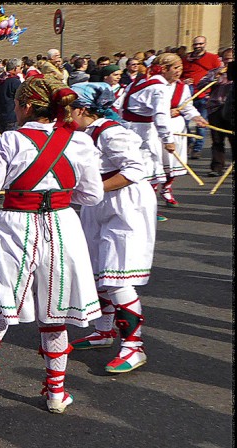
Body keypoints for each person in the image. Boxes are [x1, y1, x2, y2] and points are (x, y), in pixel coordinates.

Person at [0, 71, 104, 429]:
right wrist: (57, 193)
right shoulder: (81, 142)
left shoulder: (11, 140)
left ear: (26, 106)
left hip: (15, 228)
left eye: (15, 104)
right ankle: (56, 393)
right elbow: (92, 196)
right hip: (62, 227)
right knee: (54, 313)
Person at [68, 83, 157, 375]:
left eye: (69, 109)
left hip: (126, 206)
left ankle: (134, 345)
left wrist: (94, 190)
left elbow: (135, 170)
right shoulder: (83, 132)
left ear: (82, 110)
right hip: (99, 204)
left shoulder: (111, 132)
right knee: (96, 268)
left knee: (117, 275)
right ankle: (104, 330)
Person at [119, 53, 208, 206]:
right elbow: (160, 115)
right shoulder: (158, 87)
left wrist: (196, 117)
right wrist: (168, 139)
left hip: (136, 128)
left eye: (180, 67)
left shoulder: (144, 80)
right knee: (148, 167)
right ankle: (142, 207)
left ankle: (147, 201)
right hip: (143, 131)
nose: (179, 71)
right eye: (175, 67)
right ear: (164, 69)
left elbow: (122, 104)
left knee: (145, 166)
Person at [182, 36, 224, 158]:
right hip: (188, 94)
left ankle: (197, 148)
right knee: (184, 122)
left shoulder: (212, 58)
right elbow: (180, 74)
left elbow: (219, 74)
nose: (198, 46)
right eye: (195, 44)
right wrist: (184, 80)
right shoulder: (186, 59)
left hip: (204, 95)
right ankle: (189, 142)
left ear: (205, 44)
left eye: (200, 44)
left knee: (201, 123)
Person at [204, 52, 234, 177]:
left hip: (231, 109)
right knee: (217, 140)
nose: (228, 62)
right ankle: (217, 167)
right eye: (226, 59)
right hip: (215, 108)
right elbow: (201, 83)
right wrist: (213, 79)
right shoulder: (215, 72)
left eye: (231, 59)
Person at [0, 59, 23, 132]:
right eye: (20, 68)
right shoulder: (15, 81)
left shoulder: (0, 79)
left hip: (1, 115)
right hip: (12, 116)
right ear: (15, 68)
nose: (21, 70)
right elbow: (21, 98)